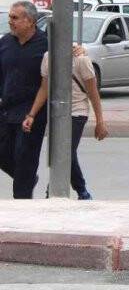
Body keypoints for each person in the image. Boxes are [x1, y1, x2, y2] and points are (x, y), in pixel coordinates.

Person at [24, 44, 108, 200]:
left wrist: (100, 121)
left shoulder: (81, 59)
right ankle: (73, 189)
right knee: (59, 153)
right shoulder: (48, 57)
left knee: (67, 152)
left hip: (78, 112)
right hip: (57, 113)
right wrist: (31, 114)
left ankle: (76, 190)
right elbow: (44, 88)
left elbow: (93, 92)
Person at [0, 2, 49, 199]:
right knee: (5, 155)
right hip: (6, 109)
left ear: (29, 21)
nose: (10, 21)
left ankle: (23, 203)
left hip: (32, 112)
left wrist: (81, 50)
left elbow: (49, 81)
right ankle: (27, 179)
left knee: (24, 159)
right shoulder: (5, 42)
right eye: (10, 17)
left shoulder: (45, 44)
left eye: (14, 18)